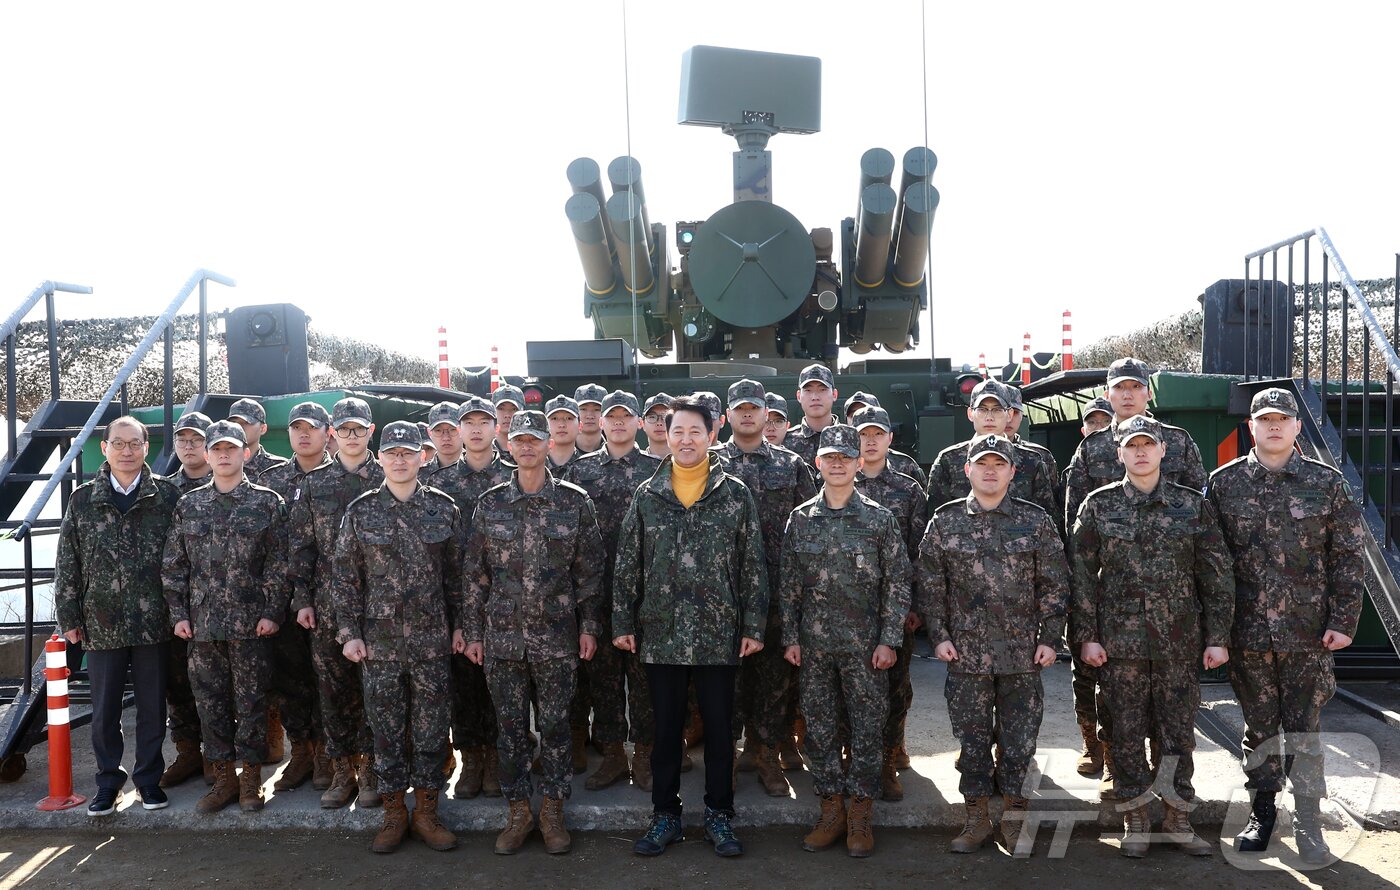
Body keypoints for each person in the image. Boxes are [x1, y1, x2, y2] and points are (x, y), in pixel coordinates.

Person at [1206, 387, 1364, 864]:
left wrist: (1343, 620)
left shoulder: (1326, 482)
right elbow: (1211, 564)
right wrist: (1217, 633)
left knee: (1305, 731)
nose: (1274, 426)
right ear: (1250, 428)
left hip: (1308, 633)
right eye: (1264, 419)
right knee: (1259, 730)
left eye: (1283, 419)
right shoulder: (1224, 484)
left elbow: (1348, 557)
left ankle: (1310, 823)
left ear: (1297, 427)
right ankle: (1262, 814)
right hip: (1248, 633)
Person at [1071, 415, 1234, 857]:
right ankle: (1136, 819)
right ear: (1119, 453)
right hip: (1118, 645)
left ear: (1164, 451)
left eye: (1148, 445)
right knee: (1123, 732)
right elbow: (1082, 578)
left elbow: (1216, 575)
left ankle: (1179, 818)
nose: (1140, 452)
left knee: (1177, 734)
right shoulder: (1099, 506)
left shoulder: (1191, 506)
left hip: (1178, 643)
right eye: (1131, 446)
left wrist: (1217, 636)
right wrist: (1087, 636)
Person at [613, 396, 768, 859]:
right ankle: (666, 816)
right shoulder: (648, 494)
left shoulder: (734, 493)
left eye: (694, 431)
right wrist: (622, 620)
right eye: (677, 431)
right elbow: (628, 564)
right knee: (665, 732)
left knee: (721, 731)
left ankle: (720, 816)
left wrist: (753, 624)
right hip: (660, 633)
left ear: (712, 435)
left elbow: (752, 564)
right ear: (663, 434)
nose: (685, 439)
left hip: (719, 633)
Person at [918, 434, 1068, 855]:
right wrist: (940, 635)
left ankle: (1016, 816)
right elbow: (930, 585)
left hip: (1023, 654)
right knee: (972, 739)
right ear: (967, 470)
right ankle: (977, 818)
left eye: (999, 464)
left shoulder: (1034, 520)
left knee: (1020, 740)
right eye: (981, 463)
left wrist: (1051, 638)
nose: (989, 470)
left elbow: (1054, 584)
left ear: (1012, 472)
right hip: (966, 655)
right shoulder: (945, 521)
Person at [463, 410, 604, 856]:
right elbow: (474, 575)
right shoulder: (490, 504)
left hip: (558, 637)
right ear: (509, 445)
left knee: (558, 726)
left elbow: (591, 572)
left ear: (548, 445)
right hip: (502, 638)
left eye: (534, 439)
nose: (526, 446)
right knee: (510, 730)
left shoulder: (574, 501)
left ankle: (553, 811)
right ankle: (519, 812)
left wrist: (591, 626)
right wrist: (473, 633)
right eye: (519, 439)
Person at [1062, 357, 1206, 791]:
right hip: (1114, 591)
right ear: (1107, 394)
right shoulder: (1092, 447)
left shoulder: (1178, 441)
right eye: (1119, 388)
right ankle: (1108, 757)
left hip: (1169, 592)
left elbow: (1199, 508)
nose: (1127, 394)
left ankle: (1166, 793)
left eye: (1134, 387)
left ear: (1148, 392)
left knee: (1171, 710)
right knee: (1103, 687)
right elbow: (1078, 524)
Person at [334, 421, 464, 854]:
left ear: (422, 457)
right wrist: (349, 633)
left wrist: (462, 627)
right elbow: (346, 578)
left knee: (430, 730)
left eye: (409, 452)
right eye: (392, 453)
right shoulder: (361, 511)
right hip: (380, 644)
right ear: (381, 457)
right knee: (386, 730)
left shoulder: (443, 509)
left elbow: (458, 579)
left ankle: (426, 812)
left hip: (432, 644)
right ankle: (394, 815)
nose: (401, 459)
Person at [781, 424, 911, 857]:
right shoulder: (800, 519)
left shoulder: (879, 519)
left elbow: (897, 583)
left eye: (845, 458)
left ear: (859, 464)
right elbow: (788, 586)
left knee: (867, 730)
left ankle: (860, 814)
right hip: (815, 648)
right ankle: (830, 810)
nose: (837, 465)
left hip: (865, 648)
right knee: (818, 732)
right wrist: (791, 638)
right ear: (818, 464)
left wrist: (890, 639)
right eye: (829, 458)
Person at [55, 416, 183, 817]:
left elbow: (181, 559)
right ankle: (108, 782)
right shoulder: (82, 499)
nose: (127, 451)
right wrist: (69, 615)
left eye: (135, 443)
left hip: (154, 620)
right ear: (105, 448)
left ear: (147, 447)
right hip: (101, 620)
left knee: (152, 709)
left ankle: (148, 780)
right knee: (104, 710)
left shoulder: (167, 495)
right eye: (118, 443)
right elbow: (67, 563)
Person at [162, 421, 288, 813]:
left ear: (245, 453)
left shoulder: (267, 502)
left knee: (251, 703)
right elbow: (174, 565)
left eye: (231, 448)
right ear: (206, 454)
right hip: (202, 627)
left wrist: (271, 612)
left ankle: (250, 779)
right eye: (216, 449)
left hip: (251, 626)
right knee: (210, 704)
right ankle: (223, 781)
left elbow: (279, 565)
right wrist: (179, 614)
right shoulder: (189, 505)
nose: (223, 455)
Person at [713, 379, 816, 798]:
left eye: (756, 408)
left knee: (773, 681)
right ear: (728, 416)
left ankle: (767, 755)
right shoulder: (709, 463)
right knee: (728, 681)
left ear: (768, 415)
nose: (749, 415)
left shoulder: (791, 465)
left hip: (776, 590)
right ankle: (733, 755)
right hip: (723, 591)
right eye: (740, 408)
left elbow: (809, 527)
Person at [563, 391, 663, 792]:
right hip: (597, 594)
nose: (619, 422)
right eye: (612, 416)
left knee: (645, 682)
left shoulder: (660, 470)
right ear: (600, 423)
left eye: (627, 416)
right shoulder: (579, 472)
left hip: (646, 595)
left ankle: (644, 755)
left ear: (640, 423)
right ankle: (612, 756)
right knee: (603, 680)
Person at [288, 397, 383, 809]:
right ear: (333, 434)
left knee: (377, 694)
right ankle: (343, 771)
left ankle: (374, 771)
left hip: (381, 607)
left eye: (359, 429)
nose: (351, 436)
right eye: (344, 429)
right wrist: (303, 599)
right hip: (327, 607)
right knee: (333, 691)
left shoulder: (391, 475)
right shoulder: (315, 484)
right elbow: (302, 548)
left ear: (371, 431)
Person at [430, 395, 512, 799]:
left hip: (505, 601)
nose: (477, 429)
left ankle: (497, 755)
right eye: (469, 423)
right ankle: (471, 757)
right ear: (458, 430)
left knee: (500, 683)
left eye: (485, 421)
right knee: (463, 683)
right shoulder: (438, 485)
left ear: (497, 428)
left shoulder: (516, 477)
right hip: (454, 599)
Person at [850, 406, 928, 799]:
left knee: (896, 685)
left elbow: (919, 551)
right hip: (849, 606)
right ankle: (858, 757)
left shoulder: (909, 487)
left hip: (895, 604)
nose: (870, 440)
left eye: (878, 433)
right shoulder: (838, 481)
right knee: (853, 687)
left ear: (889, 439)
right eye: (863, 434)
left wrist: (915, 604)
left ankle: (890, 752)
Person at [257, 401, 334, 793]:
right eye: (296, 427)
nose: (304, 434)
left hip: (326, 597)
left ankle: (328, 754)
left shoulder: (338, 477)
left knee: (328, 679)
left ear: (327, 432)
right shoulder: (272, 480)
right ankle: (301, 749)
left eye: (312, 427)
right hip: (280, 598)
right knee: (289, 679)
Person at [159, 411, 214, 789]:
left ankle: (219, 757)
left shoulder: (228, 483)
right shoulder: (163, 491)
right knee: (177, 684)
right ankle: (188, 752)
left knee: (218, 688)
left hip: (219, 608)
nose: (189, 446)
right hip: (178, 607)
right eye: (183, 440)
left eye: (197, 439)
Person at [927, 379, 1057, 519]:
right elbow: (934, 519)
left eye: (997, 409)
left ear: (1010, 414)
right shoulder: (948, 460)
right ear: (970, 414)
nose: (989, 417)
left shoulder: (1032, 461)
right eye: (982, 410)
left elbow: (1048, 519)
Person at [842, 392, 926, 487]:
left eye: (878, 433)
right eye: (853, 414)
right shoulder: (839, 466)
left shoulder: (905, 465)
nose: (871, 441)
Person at [784, 364, 839, 466]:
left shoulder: (850, 438)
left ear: (834, 395)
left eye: (822, 390)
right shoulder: (785, 441)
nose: (815, 397)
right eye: (808, 390)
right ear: (799, 396)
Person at [227, 397, 286, 478]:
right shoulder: (219, 466)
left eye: (246, 423)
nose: (240, 428)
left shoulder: (281, 469)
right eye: (234, 423)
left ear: (263, 429)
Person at [544, 394, 585, 474]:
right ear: (545, 426)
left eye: (569, 418)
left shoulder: (592, 466)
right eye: (554, 418)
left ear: (580, 426)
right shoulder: (534, 466)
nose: (561, 424)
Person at [421, 401, 462, 476]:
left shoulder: (478, 469)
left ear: (462, 430)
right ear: (429, 433)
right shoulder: (420, 475)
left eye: (452, 430)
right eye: (438, 430)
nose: (446, 438)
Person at [491, 385, 526, 454]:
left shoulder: (530, 451)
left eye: (514, 409)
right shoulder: (485, 452)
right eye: (501, 409)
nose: (507, 415)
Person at [574, 383, 607, 454]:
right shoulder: (561, 453)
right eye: (583, 409)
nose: (590, 415)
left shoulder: (614, 453)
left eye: (597, 409)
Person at [642, 393, 673, 459]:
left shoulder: (689, 463)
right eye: (652, 417)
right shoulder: (632, 464)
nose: (659, 423)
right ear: (643, 423)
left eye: (665, 417)